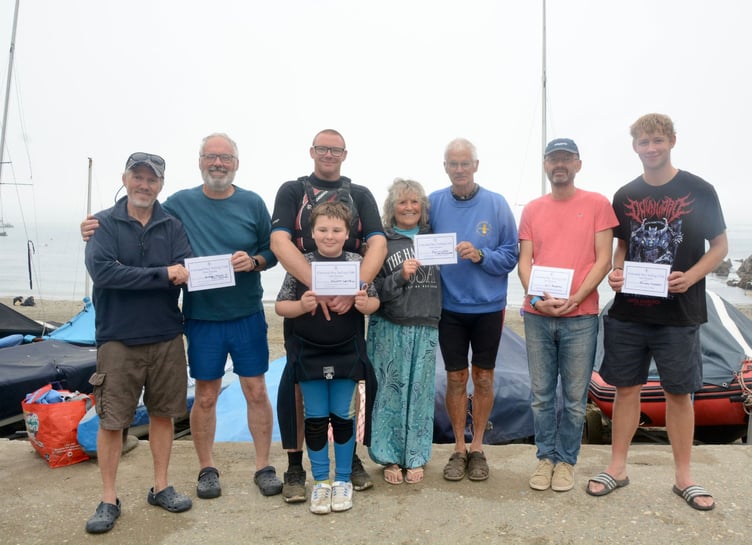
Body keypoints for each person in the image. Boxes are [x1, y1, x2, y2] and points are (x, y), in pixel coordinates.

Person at [82, 133, 283, 499]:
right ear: (200, 161)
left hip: (247, 313)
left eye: (225, 158)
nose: (218, 163)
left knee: (255, 391)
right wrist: (93, 225)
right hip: (200, 316)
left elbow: (273, 248)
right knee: (205, 396)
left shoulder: (253, 202)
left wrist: (255, 261)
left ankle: (262, 465)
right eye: (210, 157)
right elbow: (137, 212)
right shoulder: (179, 204)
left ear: (236, 163)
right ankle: (207, 468)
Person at [586, 114, 727, 511]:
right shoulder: (624, 194)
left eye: (657, 140)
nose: (651, 148)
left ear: (672, 141)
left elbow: (719, 246)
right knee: (625, 389)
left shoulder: (699, 190)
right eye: (644, 142)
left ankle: (684, 477)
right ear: (635, 147)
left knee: (679, 394)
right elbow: (624, 247)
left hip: (679, 311)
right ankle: (617, 467)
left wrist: (692, 277)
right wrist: (616, 272)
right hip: (630, 311)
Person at [271, 129, 387, 501]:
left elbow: (378, 242)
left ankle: (348, 465)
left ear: (345, 154)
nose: (328, 154)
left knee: (344, 399)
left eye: (335, 150)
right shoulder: (292, 190)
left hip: (347, 302)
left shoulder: (361, 194)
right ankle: (294, 468)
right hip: (306, 297)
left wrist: (355, 289)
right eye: (323, 148)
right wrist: (315, 284)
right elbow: (279, 242)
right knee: (300, 394)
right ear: (312, 151)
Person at [84, 153, 193, 534]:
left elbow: (186, 270)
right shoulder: (103, 223)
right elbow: (104, 272)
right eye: (138, 177)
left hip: (166, 336)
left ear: (161, 185)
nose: (144, 185)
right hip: (117, 339)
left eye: (152, 179)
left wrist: (177, 275)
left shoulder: (172, 225)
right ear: (125, 179)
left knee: (164, 414)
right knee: (113, 421)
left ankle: (161, 486)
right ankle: (109, 497)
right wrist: (162, 274)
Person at [518, 138, 618, 492]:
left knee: (575, 400)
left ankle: (567, 461)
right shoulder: (532, 208)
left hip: (582, 316)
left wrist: (576, 298)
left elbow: (603, 258)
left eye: (565, 158)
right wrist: (535, 297)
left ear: (577, 164)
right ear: (545, 165)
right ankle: (545, 457)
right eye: (552, 159)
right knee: (541, 395)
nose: (559, 164)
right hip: (538, 314)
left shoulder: (597, 204)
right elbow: (525, 261)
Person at [429, 137, 518, 482]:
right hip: (448, 306)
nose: (460, 170)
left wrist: (482, 256)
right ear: (446, 167)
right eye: (453, 164)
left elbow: (511, 255)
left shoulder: (496, 204)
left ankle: (478, 446)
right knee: (454, 378)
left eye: (466, 163)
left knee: (482, 377)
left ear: (476, 166)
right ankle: (458, 448)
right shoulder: (434, 203)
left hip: (488, 307)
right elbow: (417, 243)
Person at [367, 178, 442, 485]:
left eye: (414, 202)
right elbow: (372, 290)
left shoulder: (435, 238)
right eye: (402, 202)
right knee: (389, 394)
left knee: (420, 394)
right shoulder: (382, 242)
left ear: (422, 207)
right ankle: (388, 457)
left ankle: (415, 456)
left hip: (426, 325)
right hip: (390, 326)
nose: (409, 207)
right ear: (392, 208)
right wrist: (399, 276)